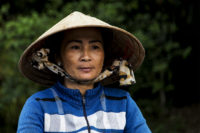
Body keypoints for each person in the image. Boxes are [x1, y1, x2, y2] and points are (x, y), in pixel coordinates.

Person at [17, 11, 151, 133]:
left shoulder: (123, 103)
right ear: (58, 57)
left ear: (104, 55)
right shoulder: (38, 105)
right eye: (75, 47)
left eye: (95, 47)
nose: (86, 56)